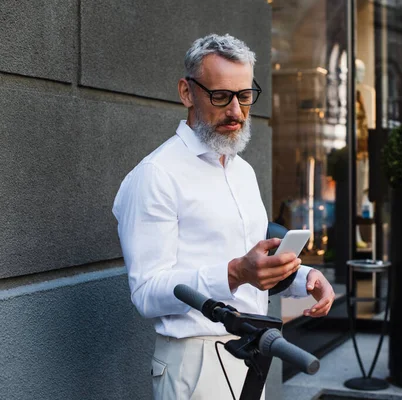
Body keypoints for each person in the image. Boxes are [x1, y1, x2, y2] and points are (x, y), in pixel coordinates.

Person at [112, 33, 336, 400]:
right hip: (194, 360)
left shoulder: (242, 171)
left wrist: (302, 279)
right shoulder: (156, 174)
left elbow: (251, 261)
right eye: (220, 96)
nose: (236, 111)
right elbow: (146, 293)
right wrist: (234, 273)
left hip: (251, 353)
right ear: (187, 92)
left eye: (245, 96)